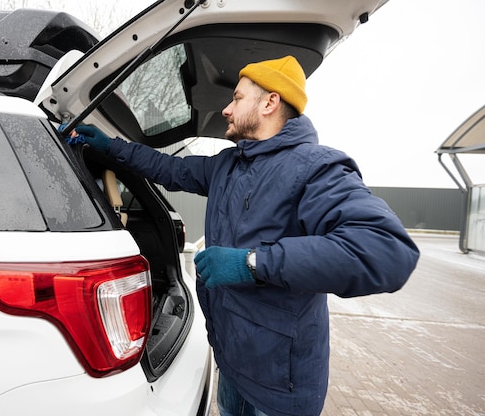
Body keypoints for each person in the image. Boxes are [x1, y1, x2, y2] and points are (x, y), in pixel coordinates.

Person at [71, 56, 420, 416]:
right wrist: (111, 147)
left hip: (278, 387)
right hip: (231, 365)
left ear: (270, 102)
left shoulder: (316, 168)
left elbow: (386, 251)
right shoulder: (227, 165)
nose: (226, 109)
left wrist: (252, 263)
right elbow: (169, 169)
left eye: (237, 98)